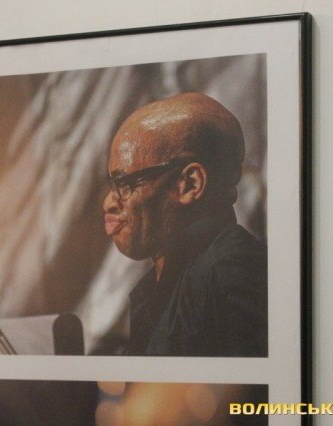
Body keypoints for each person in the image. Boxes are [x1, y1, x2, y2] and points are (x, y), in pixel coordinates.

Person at [103, 92, 267, 357]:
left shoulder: (232, 273)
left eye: (125, 184)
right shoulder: (167, 283)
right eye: (113, 185)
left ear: (190, 184)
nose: (109, 203)